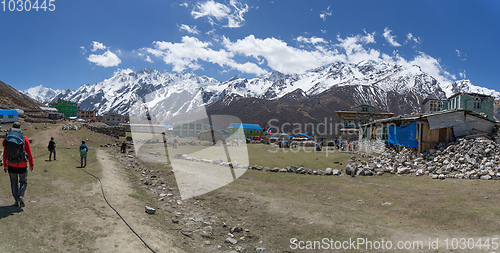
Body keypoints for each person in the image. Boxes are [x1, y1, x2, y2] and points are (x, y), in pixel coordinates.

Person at [3, 122, 34, 208]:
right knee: (23, 182)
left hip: (11, 164)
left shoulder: (7, 138)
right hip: (22, 164)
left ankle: (16, 200)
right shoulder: (24, 138)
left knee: (14, 183)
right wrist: (31, 164)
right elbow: (29, 152)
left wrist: (5, 165)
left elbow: (5, 152)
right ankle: (20, 195)